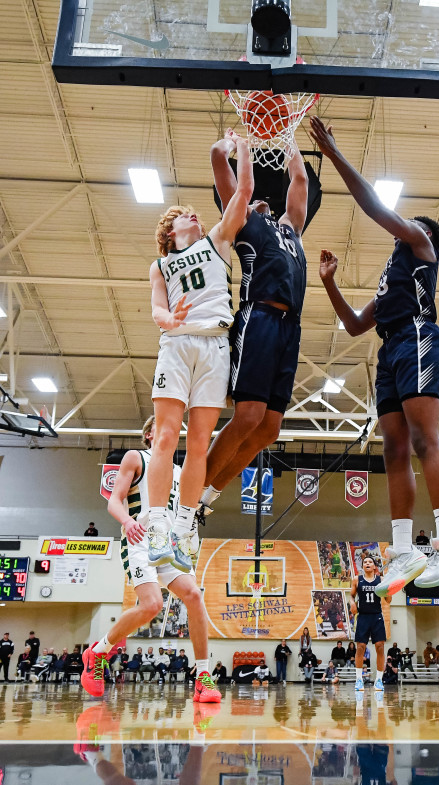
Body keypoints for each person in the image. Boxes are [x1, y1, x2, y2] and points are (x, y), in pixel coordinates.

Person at [309, 115, 439, 596]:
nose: (402, 228)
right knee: (393, 450)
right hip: (390, 347)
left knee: (424, 441)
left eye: (408, 224)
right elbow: (357, 325)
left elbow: (378, 210)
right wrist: (330, 283)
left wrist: (335, 155)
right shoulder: (391, 281)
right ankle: (404, 549)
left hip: (420, 337)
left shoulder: (421, 246)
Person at [143, 132, 253, 574]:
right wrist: (165, 319)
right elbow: (156, 305)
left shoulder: (216, 242)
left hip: (214, 344)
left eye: (194, 211)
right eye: (184, 213)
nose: (194, 212)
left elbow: (243, 193)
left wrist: (241, 149)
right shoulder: (161, 264)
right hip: (176, 343)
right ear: (170, 232)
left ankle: (185, 527)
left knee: (199, 446)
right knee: (166, 437)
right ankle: (156, 524)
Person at [198, 130, 310, 517]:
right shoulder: (244, 221)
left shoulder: (291, 230)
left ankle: (206, 500)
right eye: (255, 198)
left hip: (289, 327)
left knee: (268, 430)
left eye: (265, 199)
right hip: (258, 316)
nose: (263, 199)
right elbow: (220, 167)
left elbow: (299, 180)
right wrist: (235, 142)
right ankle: (189, 496)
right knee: (247, 416)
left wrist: (288, 134)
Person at [82, 417, 221, 703]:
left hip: (169, 542)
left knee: (194, 596)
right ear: (148, 434)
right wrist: (126, 522)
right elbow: (113, 500)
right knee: (152, 605)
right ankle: (98, 653)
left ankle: (203, 678)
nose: (171, 426)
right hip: (140, 539)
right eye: (162, 422)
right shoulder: (137, 457)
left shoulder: (182, 471)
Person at [350, 555, 391, 694]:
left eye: (370, 562)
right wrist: (351, 603)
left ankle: (379, 680)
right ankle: (358, 679)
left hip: (376, 616)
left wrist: (390, 589)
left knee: (380, 647)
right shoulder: (357, 579)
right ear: (363, 566)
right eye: (365, 562)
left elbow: (388, 600)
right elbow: (351, 595)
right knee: (360, 647)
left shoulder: (381, 580)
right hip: (363, 616)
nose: (367, 563)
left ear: (374, 566)